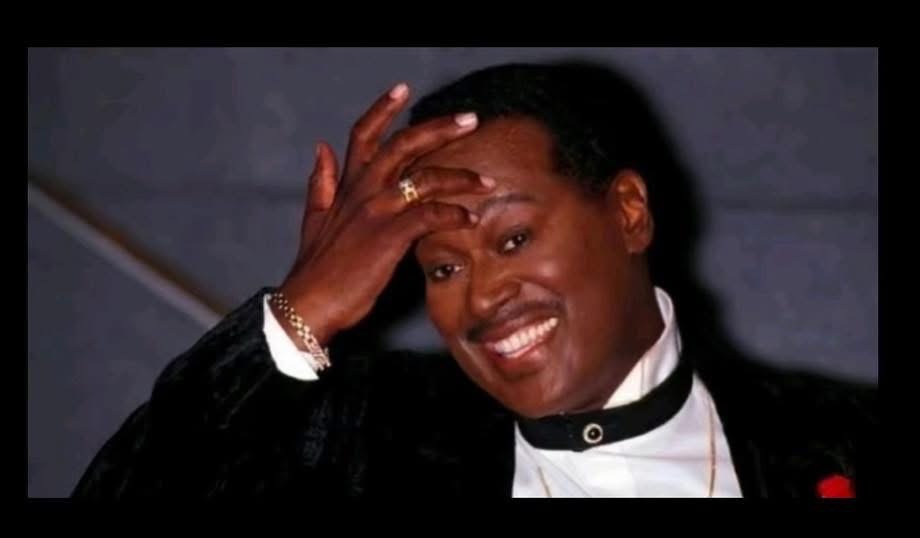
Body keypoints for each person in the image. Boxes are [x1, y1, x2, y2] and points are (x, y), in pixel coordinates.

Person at [71, 61, 876, 498]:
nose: (483, 297)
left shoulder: (840, 440)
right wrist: (298, 312)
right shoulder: (363, 441)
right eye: (444, 267)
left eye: (515, 238)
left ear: (629, 213)